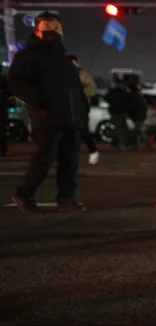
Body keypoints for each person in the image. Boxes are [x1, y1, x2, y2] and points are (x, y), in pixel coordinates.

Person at [8, 11, 87, 213]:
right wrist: (40, 102)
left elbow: (76, 90)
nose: (52, 32)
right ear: (37, 31)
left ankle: (67, 200)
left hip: (71, 119)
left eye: (56, 29)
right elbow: (16, 83)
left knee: (69, 163)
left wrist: (82, 112)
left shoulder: (65, 60)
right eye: (47, 29)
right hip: (47, 119)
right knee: (44, 160)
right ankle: (24, 193)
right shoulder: (27, 56)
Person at [67, 55, 100, 164]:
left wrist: (82, 86)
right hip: (66, 107)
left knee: (83, 130)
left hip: (81, 106)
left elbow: (92, 91)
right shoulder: (61, 74)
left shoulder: (83, 74)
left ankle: (93, 150)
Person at [105, 73, 132, 150]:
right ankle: (121, 144)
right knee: (122, 128)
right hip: (121, 112)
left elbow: (107, 99)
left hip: (115, 112)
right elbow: (128, 101)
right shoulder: (124, 91)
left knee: (118, 128)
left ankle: (119, 144)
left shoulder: (112, 91)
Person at [0, 74, 9, 157]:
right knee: (2, 132)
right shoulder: (4, 81)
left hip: (2, 111)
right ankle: (4, 151)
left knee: (2, 132)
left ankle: (4, 150)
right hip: (2, 111)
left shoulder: (4, 81)